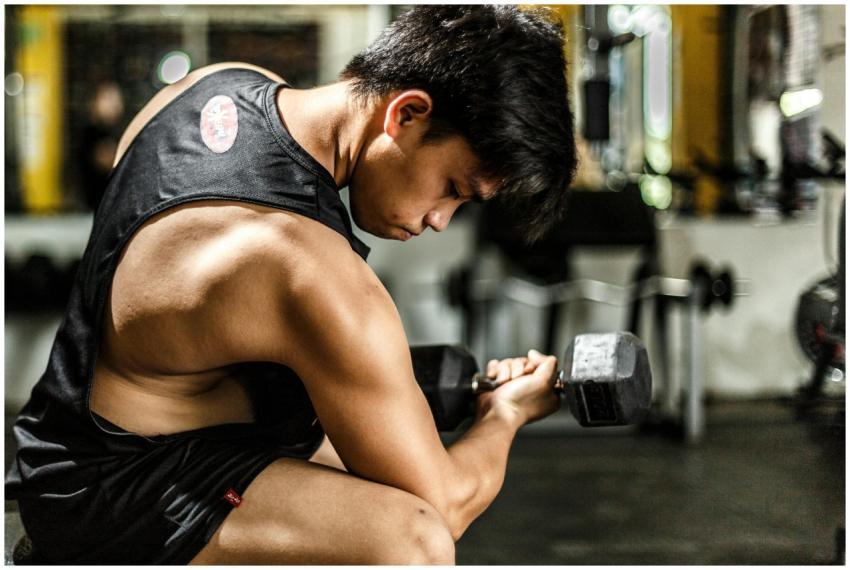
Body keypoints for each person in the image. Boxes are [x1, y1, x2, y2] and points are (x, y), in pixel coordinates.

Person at [6, 5, 577, 564]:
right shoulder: (307, 269)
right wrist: (505, 413)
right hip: (108, 492)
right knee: (412, 538)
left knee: (364, 461)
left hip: (58, 438)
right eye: (453, 187)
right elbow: (447, 503)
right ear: (406, 113)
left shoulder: (215, 87)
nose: (439, 219)